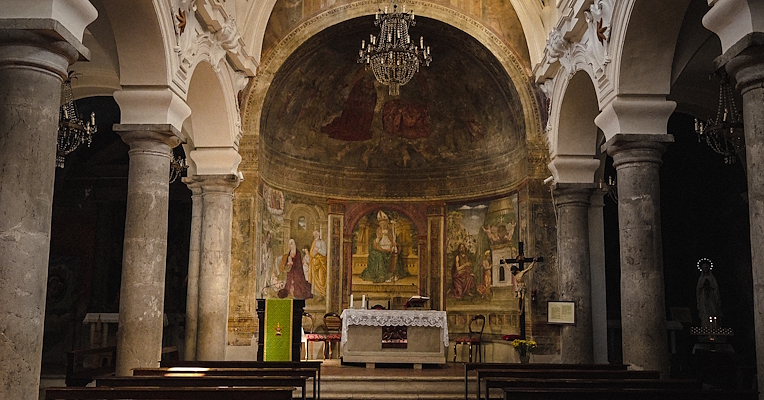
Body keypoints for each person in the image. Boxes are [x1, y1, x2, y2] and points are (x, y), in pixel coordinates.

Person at [360, 211, 408, 283]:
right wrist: (379, 243)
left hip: (389, 248)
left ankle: (392, 275)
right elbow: (373, 245)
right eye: (381, 223)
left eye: (384, 222)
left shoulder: (392, 231)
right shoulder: (376, 232)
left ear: (387, 222)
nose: (383, 224)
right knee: (379, 256)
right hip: (379, 249)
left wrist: (395, 245)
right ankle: (382, 275)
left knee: (394, 255)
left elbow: (396, 242)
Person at [696, 258, 722, 327]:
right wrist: (703, 286)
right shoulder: (701, 278)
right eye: (704, 268)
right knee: (704, 314)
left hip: (711, 298)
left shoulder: (712, 278)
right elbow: (698, 289)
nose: (705, 269)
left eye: (706, 267)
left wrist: (710, 286)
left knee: (713, 312)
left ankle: (714, 327)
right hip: (703, 299)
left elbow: (716, 288)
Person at [309, 229, 327, 298]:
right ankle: (317, 295)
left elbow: (324, 253)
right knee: (315, 279)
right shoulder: (314, 242)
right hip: (314, 263)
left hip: (321, 263)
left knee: (321, 279)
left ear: (319, 234)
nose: (315, 235)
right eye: (314, 235)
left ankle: (322, 294)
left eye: (316, 234)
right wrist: (313, 254)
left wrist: (318, 250)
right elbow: (311, 252)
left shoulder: (322, 242)